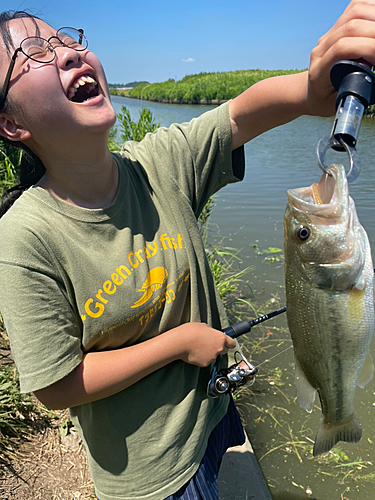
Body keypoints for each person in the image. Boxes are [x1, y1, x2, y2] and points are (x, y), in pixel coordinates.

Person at [0, 2, 374, 499]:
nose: (67, 54)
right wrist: (179, 344)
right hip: (154, 472)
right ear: (11, 125)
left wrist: (311, 89)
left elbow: (239, 113)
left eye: (67, 40)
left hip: (215, 410)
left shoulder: (159, 163)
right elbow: (55, 385)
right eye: (32, 52)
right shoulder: (23, 237)